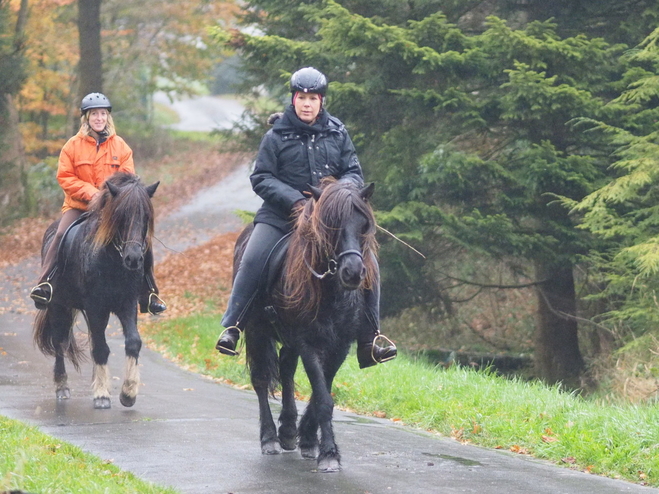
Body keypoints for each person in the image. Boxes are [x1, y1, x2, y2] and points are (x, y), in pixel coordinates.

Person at [215, 67, 397, 369]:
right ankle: (234, 325)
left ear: (321, 101)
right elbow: (261, 177)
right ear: (293, 99)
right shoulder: (275, 136)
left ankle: (371, 338)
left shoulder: (338, 132)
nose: (308, 103)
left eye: (314, 98)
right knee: (252, 258)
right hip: (281, 217)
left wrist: (338, 195)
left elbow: (353, 171)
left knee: (368, 262)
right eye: (302, 98)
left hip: (330, 221)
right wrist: (298, 201)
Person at [29, 92, 166, 316]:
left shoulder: (121, 147)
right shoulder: (71, 146)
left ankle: (149, 292)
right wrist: (92, 193)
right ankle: (46, 282)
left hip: (111, 210)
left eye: (103, 114)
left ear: (108, 117)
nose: (99, 118)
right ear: (86, 118)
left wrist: (107, 198)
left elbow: (128, 180)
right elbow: (64, 177)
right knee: (62, 233)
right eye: (94, 114)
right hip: (79, 206)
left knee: (140, 238)